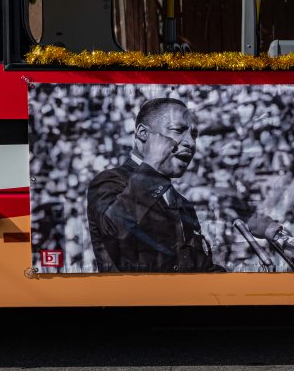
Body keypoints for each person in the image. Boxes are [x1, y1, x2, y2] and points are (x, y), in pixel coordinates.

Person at [87, 97, 222, 272]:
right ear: (143, 133)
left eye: (194, 135)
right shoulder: (110, 181)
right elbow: (113, 229)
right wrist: (152, 163)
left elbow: (201, 270)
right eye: (178, 130)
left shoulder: (183, 205)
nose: (190, 142)